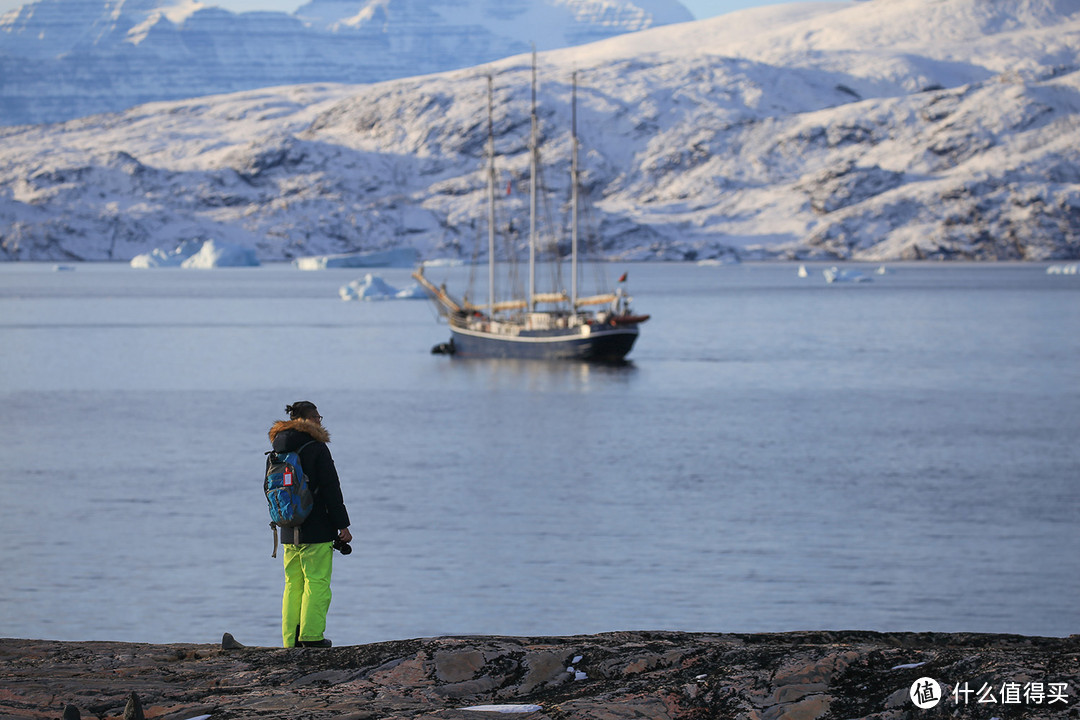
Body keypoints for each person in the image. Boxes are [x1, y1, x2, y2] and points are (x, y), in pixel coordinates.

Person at [268, 401, 352, 648]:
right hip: (316, 529)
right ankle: (312, 637)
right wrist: (342, 525)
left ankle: (290, 640)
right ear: (308, 420)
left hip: (287, 527)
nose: (320, 421)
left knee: (293, 585)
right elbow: (330, 489)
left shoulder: (278, 449)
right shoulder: (316, 448)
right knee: (317, 582)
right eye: (317, 417)